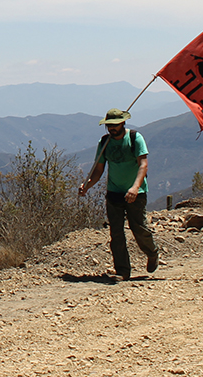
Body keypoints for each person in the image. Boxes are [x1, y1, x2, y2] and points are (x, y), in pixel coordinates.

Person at [78, 108, 159, 280]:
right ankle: (122, 271)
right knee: (116, 233)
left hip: (136, 193)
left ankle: (152, 253)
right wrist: (87, 185)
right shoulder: (105, 142)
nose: (112, 129)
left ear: (123, 123)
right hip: (114, 193)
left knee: (139, 228)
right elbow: (98, 170)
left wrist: (135, 187)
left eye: (115, 125)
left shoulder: (135, 138)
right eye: (109, 126)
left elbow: (143, 165)